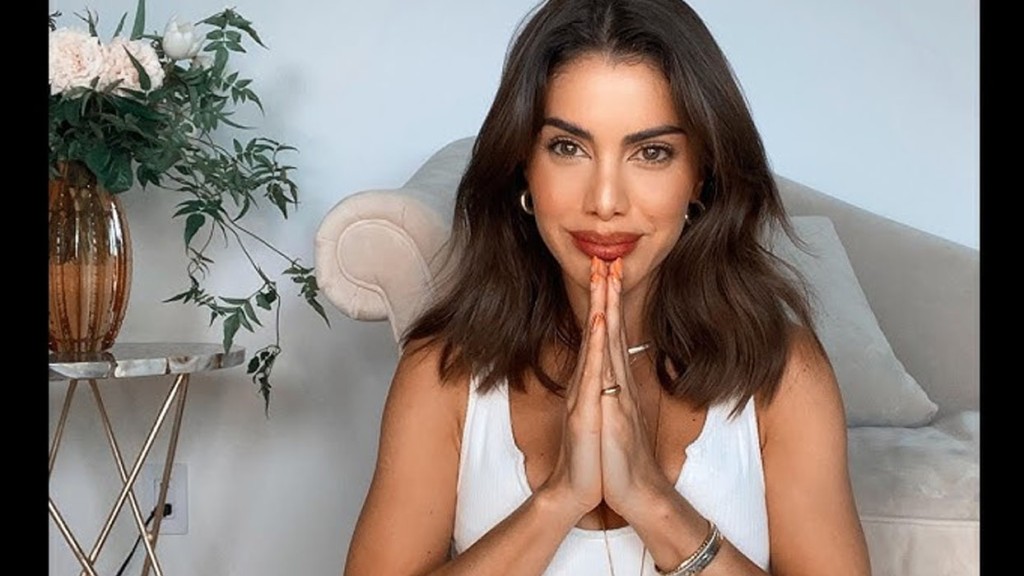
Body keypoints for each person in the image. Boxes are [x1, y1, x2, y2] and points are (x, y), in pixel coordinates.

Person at [344, 0, 872, 574]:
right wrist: (559, 498)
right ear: (523, 165)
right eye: (568, 148)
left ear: (700, 176)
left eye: (652, 153)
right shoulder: (443, 370)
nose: (604, 201)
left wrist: (650, 499)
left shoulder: (783, 372)